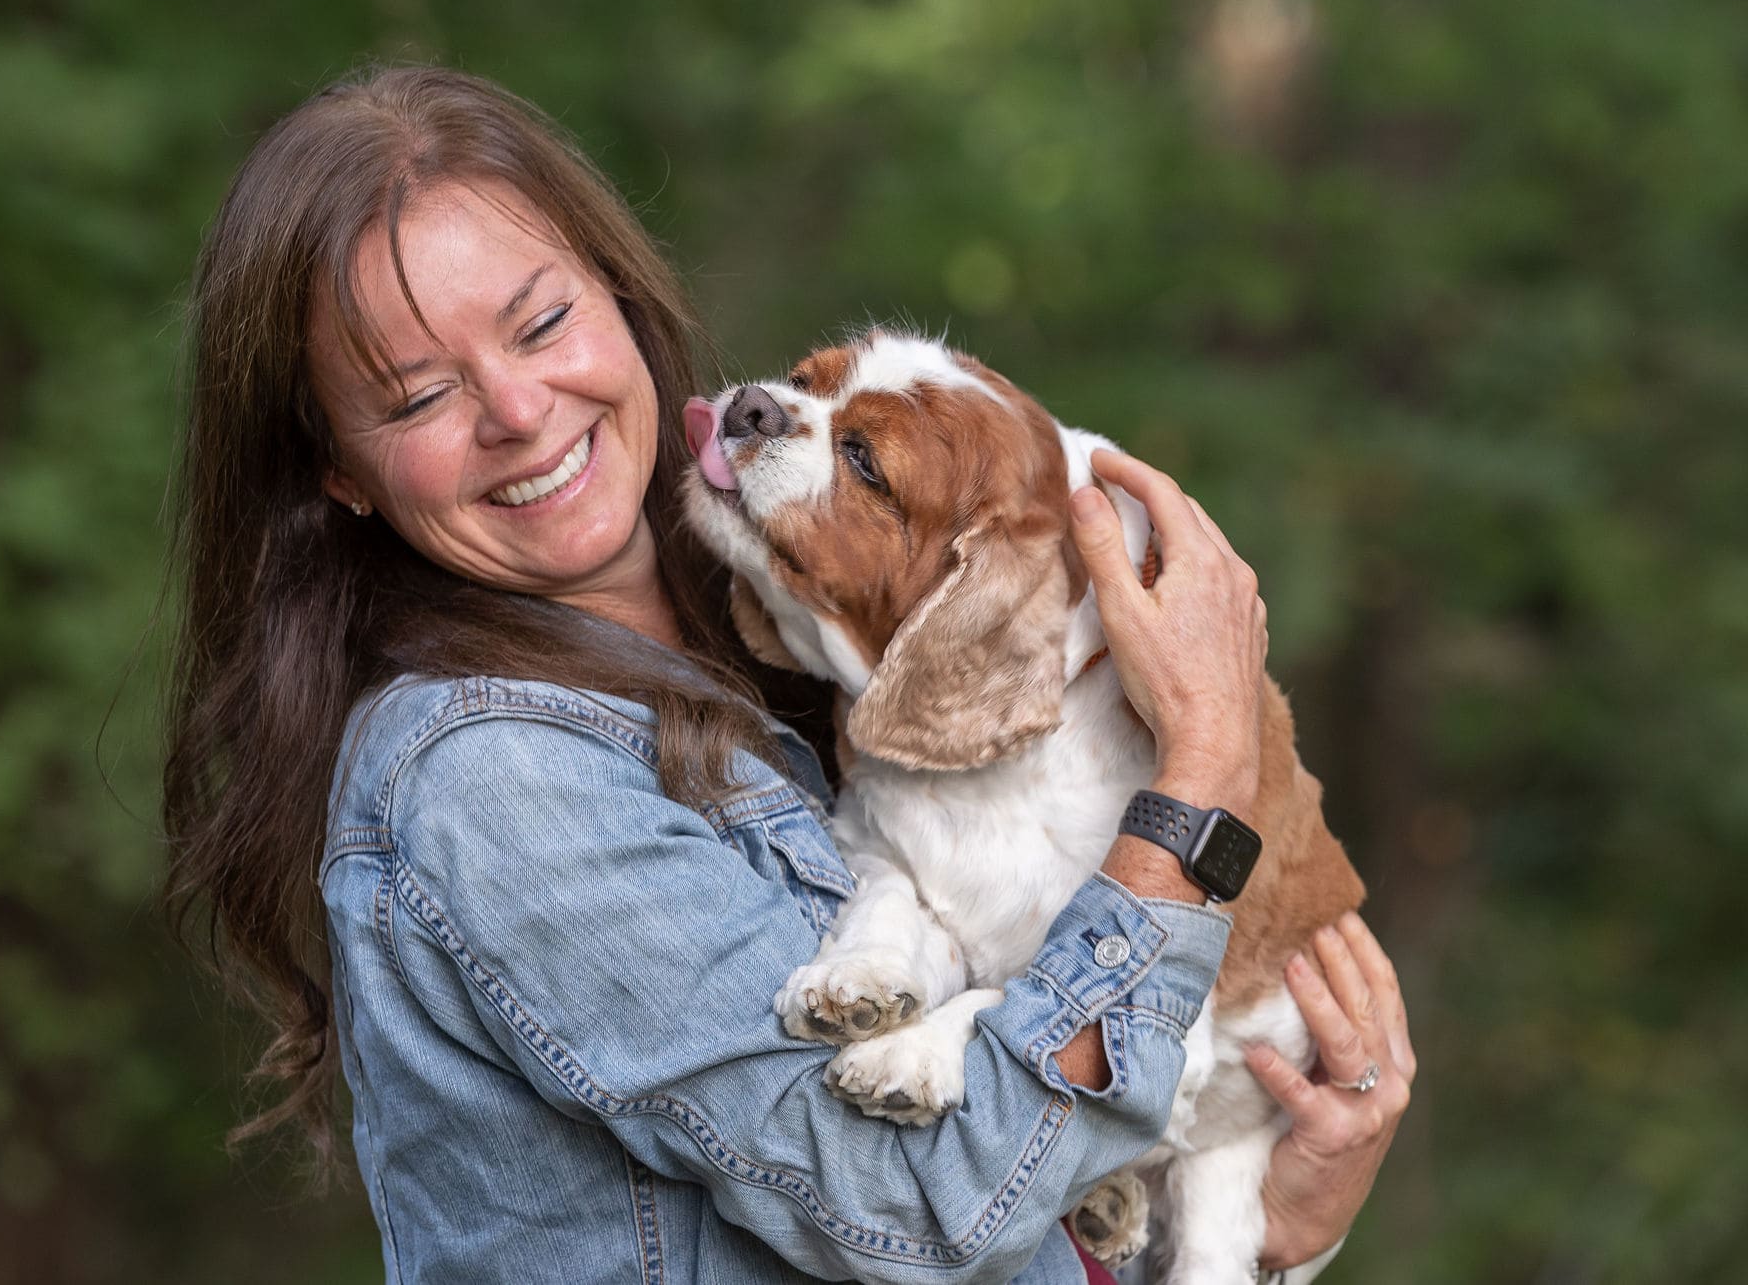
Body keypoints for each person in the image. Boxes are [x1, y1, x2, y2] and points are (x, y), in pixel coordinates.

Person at [163, 66, 1414, 1283]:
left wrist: (1264, 1229)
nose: (519, 409)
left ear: (615, 295)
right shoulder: (495, 780)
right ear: (338, 471)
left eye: (540, 323)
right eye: (421, 394)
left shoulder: (793, 646)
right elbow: (923, 1210)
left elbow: (1024, 1187)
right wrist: (1203, 766)